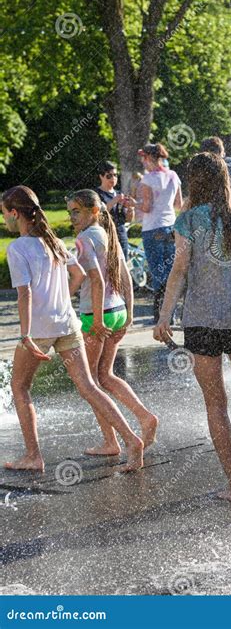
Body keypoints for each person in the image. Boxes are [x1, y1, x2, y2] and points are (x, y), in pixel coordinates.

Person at [153, 152, 231, 515]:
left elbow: (179, 272)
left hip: (201, 323)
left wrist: (164, 316)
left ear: (195, 182)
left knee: (216, 404)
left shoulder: (188, 220)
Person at [2, 185, 144, 472]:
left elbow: (25, 294)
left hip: (40, 329)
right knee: (90, 386)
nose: (4, 219)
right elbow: (77, 273)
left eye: (4, 213)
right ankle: (131, 438)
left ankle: (33, 455)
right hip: (67, 324)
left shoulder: (17, 248)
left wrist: (26, 335)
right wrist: (60, 300)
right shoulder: (52, 240)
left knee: (20, 387)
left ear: (16, 214)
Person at [67, 189, 158, 456]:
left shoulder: (85, 239)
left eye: (77, 211)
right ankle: (144, 416)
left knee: (90, 383)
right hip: (116, 309)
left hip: (98, 315)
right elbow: (125, 275)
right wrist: (127, 314)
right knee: (105, 375)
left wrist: (95, 319)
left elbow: (95, 280)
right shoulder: (108, 234)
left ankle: (111, 442)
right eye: (70, 211)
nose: (72, 217)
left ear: (94, 212)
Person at [137, 143, 183, 323]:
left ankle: (160, 317)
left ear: (148, 158)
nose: (142, 161)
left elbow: (147, 207)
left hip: (152, 228)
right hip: (171, 228)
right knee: (171, 271)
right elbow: (178, 204)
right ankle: (171, 314)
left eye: (143, 158)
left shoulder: (147, 179)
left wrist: (133, 204)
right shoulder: (173, 175)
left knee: (157, 273)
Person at [96, 161, 134, 260]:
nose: (113, 178)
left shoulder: (119, 193)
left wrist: (130, 209)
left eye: (115, 175)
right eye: (109, 176)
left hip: (121, 235)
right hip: (105, 235)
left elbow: (128, 219)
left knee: (123, 267)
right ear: (101, 176)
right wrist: (115, 200)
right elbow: (100, 212)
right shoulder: (97, 194)